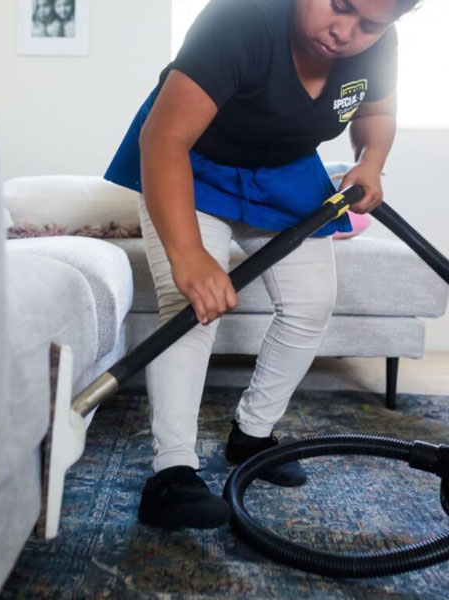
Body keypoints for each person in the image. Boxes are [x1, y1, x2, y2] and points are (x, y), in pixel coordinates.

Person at [104, 0, 420, 530]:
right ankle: (172, 473)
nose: (345, 32)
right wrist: (189, 256)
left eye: (369, 24)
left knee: (312, 300)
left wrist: (370, 161)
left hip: (284, 172)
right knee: (189, 306)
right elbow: (164, 138)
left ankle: (251, 434)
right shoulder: (240, 20)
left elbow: (377, 114)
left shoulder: (378, 45)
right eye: (339, 7)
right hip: (192, 164)